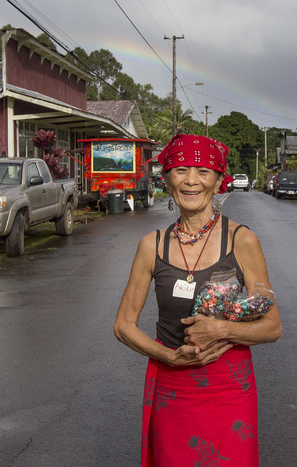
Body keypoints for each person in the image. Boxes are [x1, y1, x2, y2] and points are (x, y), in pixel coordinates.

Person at [114, 134, 282, 466]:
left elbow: (273, 326)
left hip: (229, 390)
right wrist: (168, 356)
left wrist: (220, 330)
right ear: (166, 179)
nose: (192, 180)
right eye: (181, 170)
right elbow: (123, 326)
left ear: (219, 181)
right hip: (173, 386)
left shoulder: (242, 240)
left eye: (203, 172)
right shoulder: (152, 245)